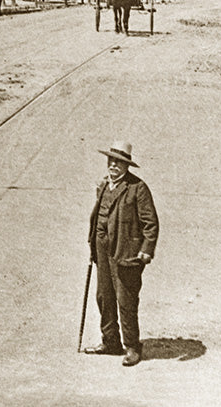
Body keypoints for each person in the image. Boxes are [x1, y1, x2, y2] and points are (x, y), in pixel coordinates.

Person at [85, 141, 159, 367]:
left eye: (119, 162)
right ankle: (111, 342)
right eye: (111, 160)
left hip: (126, 253)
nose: (113, 165)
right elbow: (98, 217)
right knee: (104, 297)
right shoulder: (104, 185)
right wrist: (93, 244)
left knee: (125, 300)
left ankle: (132, 347)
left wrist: (146, 251)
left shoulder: (137, 188)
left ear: (127, 166)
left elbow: (151, 223)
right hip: (102, 250)